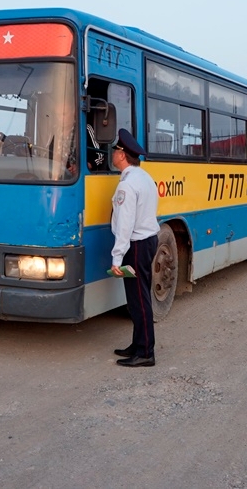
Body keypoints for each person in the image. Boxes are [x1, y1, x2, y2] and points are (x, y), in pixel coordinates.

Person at [109, 128, 161, 367]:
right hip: (147, 241)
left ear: (122, 155)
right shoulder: (144, 177)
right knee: (137, 297)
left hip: (136, 245)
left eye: (115, 150)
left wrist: (117, 258)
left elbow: (124, 224)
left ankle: (146, 353)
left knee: (139, 299)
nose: (112, 154)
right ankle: (137, 343)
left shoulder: (128, 185)